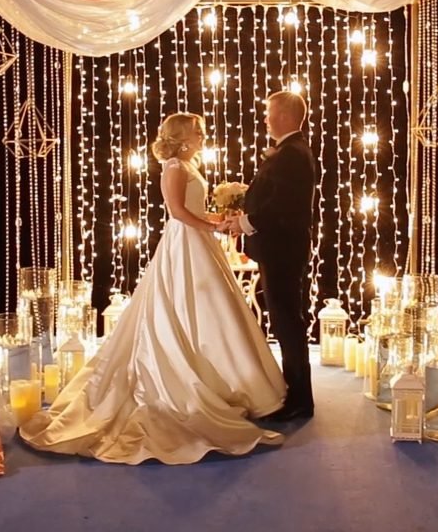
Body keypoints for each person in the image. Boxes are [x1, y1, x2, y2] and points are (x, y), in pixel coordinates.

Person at [18, 113, 287, 464]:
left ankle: (219, 378)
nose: (203, 136)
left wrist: (214, 220)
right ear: (183, 137)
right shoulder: (174, 166)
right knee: (184, 306)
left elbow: (190, 209)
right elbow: (177, 212)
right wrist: (213, 227)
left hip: (197, 242)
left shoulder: (186, 164)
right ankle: (183, 382)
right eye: (198, 132)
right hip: (184, 244)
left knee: (208, 312)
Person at [218, 91, 317, 421]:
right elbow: (272, 197)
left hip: (283, 251)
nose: (265, 118)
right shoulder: (289, 151)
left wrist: (245, 222)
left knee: (288, 322)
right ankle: (296, 393)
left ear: (287, 117)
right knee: (285, 321)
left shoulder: (292, 154)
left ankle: (300, 400)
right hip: (278, 249)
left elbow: (284, 207)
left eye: (269, 113)